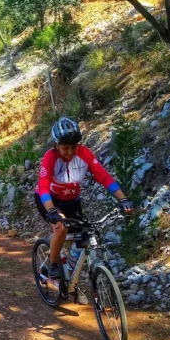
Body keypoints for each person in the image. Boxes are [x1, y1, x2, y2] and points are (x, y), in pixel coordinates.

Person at [35, 116, 134, 279]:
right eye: (65, 148)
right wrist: (51, 210)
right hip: (48, 199)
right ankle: (53, 264)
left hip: (71, 200)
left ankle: (69, 272)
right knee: (61, 227)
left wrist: (123, 199)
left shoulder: (84, 154)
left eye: (73, 146)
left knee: (82, 236)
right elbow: (43, 185)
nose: (70, 152)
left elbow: (104, 177)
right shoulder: (50, 156)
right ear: (56, 145)